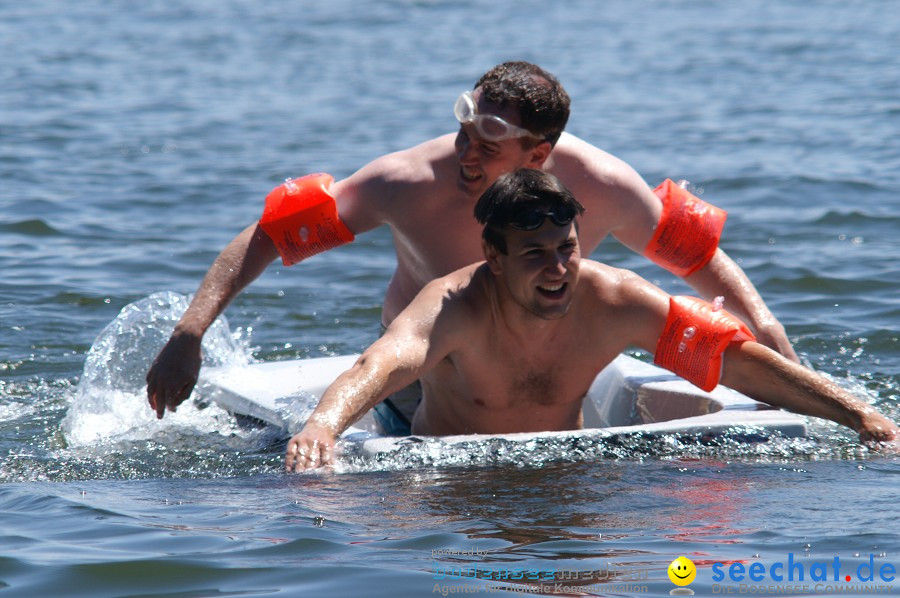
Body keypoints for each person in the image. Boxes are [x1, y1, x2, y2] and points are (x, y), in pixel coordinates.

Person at [147, 61, 799, 428]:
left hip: (549, 361)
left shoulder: (602, 184)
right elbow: (271, 235)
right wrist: (190, 332)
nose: (465, 152)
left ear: (539, 153)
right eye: (463, 129)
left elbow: (691, 252)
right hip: (427, 375)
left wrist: (761, 322)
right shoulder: (407, 181)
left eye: (488, 143)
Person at [285, 169, 897, 472]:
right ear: (493, 259)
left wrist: (856, 414)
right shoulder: (454, 306)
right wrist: (321, 427)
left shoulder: (614, 300)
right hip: (454, 478)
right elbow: (382, 362)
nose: (558, 269)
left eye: (566, 248)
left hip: (569, 468)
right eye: (534, 254)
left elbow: (731, 357)